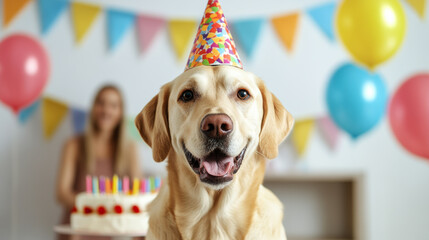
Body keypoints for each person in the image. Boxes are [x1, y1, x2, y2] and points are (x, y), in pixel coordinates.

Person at [56, 84, 141, 240]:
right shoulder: (73, 145)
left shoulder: (130, 149)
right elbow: (62, 193)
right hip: (76, 231)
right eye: (101, 103)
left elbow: (136, 194)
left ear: (121, 112)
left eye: (113, 105)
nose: (106, 110)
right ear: (94, 107)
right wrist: (95, 206)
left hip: (109, 233)